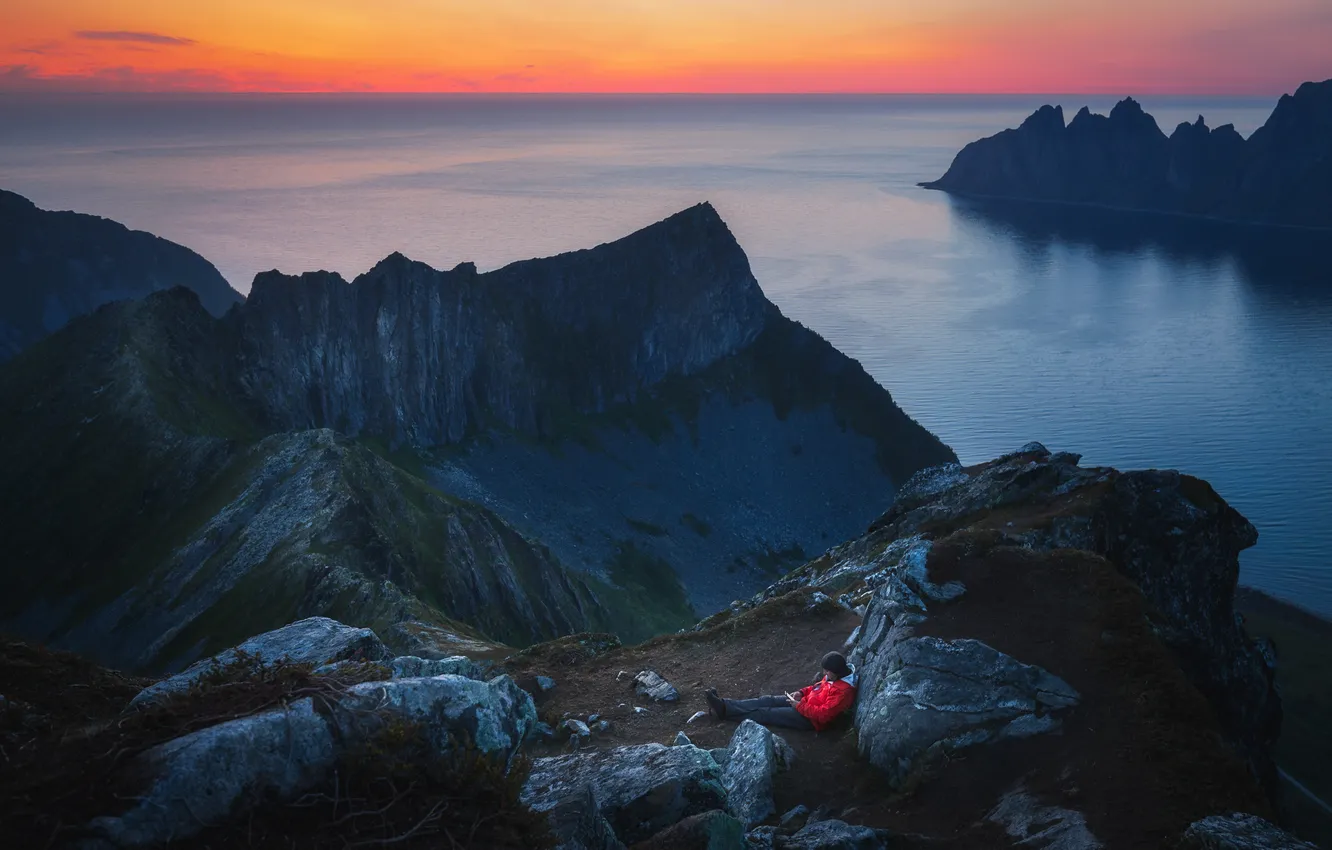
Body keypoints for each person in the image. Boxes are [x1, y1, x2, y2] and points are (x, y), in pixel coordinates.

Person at [704, 651, 857, 732]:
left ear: (836, 671)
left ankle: (724, 714)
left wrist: (799, 706)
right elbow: (815, 687)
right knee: (766, 700)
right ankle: (724, 706)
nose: (825, 673)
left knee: (766, 713)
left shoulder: (843, 692)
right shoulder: (834, 677)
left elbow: (823, 715)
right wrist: (802, 693)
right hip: (803, 703)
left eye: (827, 671)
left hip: (810, 720)